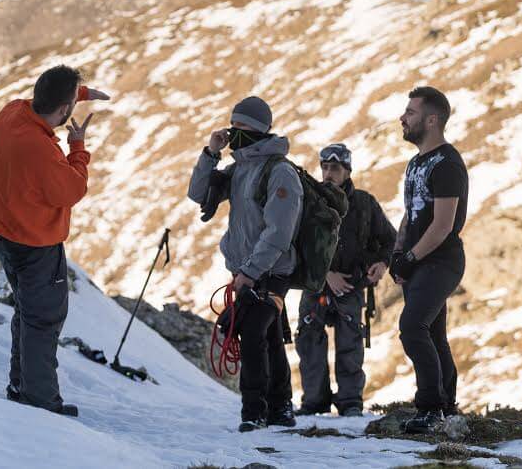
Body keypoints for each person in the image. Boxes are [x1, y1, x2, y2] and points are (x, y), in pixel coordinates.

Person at [0, 64, 109, 417]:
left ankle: (21, 384)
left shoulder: (12, 112)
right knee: (43, 319)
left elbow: (44, 97)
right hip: (35, 243)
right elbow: (72, 189)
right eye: (71, 102)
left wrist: (79, 95)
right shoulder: (40, 149)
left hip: (4, 233)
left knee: (27, 310)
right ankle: (39, 402)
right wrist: (78, 147)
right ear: (64, 108)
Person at [187, 96, 303, 432]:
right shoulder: (240, 169)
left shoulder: (279, 172)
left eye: (241, 127)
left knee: (252, 334)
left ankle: (253, 411)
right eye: (232, 126)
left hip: (272, 270)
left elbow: (279, 231)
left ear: (258, 130)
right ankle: (281, 408)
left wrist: (251, 273)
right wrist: (211, 154)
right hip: (244, 271)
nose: (234, 132)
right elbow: (198, 193)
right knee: (266, 337)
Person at [295, 143, 396, 418]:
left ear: (347, 171)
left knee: (350, 345)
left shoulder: (364, 203)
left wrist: (382, 263)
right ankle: (314, 402)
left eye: (335, 168)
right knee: (310, 343)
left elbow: (389, 239)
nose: (328, 173)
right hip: (315, 285)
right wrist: (326, 274)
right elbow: (294, 244)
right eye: (325, 167)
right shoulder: (307, 200)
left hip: (351, 286)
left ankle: (351, 402)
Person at [390, 86, 468, 433]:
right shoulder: (416, 162)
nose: (402, 118)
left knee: (412, 327)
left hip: (442, 261)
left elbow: (442, 225)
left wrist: (410, 257)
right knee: (434, 334)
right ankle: (447, 407)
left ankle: (430, 407)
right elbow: (411, 215)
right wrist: (397, 254)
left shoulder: (448, 163)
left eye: (410, 112)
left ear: (432, 120)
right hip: (418, 261)